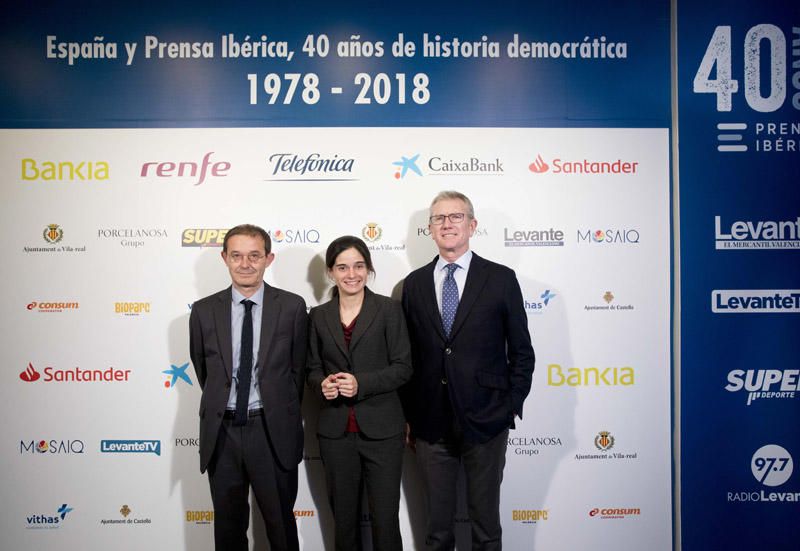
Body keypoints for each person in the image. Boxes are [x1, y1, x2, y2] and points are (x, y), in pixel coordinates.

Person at [401, 191, 535, 550]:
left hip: (486, 419)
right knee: (437, 530)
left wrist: (508, 406)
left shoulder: (501, 278)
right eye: (438, 218)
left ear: (472, 225)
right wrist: (409, 415)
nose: (447, 224)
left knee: (485, 525)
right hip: (430, 422)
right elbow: (407, 357)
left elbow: (522, 352)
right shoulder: (413, 285)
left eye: (456, 216)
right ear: (429, 229)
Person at [189, 224, 308, 551]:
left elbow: (296, 373)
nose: (245, 264)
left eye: (254, 255)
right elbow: (206, 372)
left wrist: (275, 408)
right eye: (237, 256)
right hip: (222, 433)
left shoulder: (293, 307)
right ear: (224, 258)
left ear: (268, 258)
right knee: (227, 529)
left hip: (271, 431)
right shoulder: (202, 311)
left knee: (280, 526)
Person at [307, 235, 412, 551]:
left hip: (383, 432)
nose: (351, 274)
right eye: (342, 267)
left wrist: (361, 384)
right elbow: (310, 369)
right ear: (330, 272)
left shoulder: (389, 310)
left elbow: (403, 367)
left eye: (358, 266)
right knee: (344, 522)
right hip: (335, 433)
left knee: (385, 520)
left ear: (368, 269)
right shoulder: (318, 316)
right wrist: (321, 384)